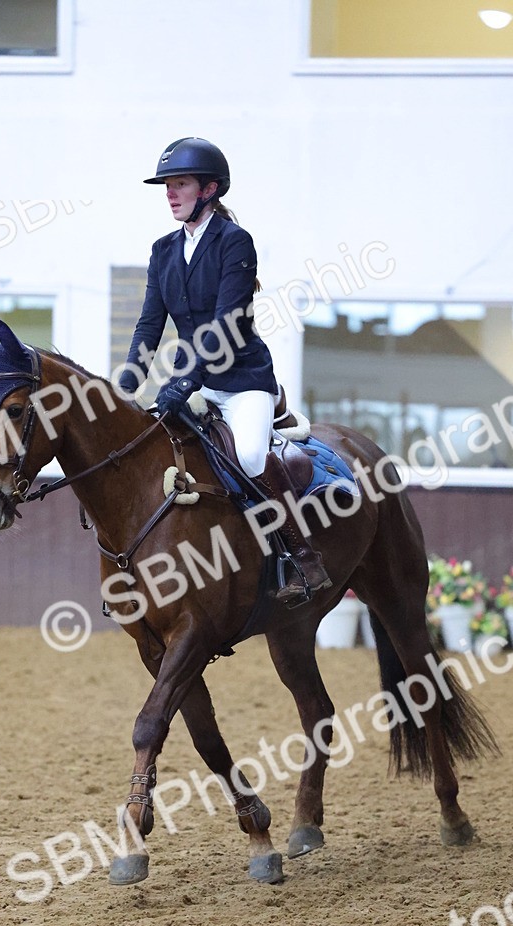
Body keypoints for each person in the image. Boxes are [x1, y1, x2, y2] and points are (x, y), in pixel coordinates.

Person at [118, 136, 330, 602]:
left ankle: (300, 558)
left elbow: (224, 326)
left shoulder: (234, 242)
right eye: (167, 186)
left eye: (181, 184)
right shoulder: (163, 250)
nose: (170, 194)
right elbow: (150, 323)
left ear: (210, 190)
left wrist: (183, 383)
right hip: (192, 382)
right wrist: (126, 385)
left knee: (251, 456)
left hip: (241, 383)